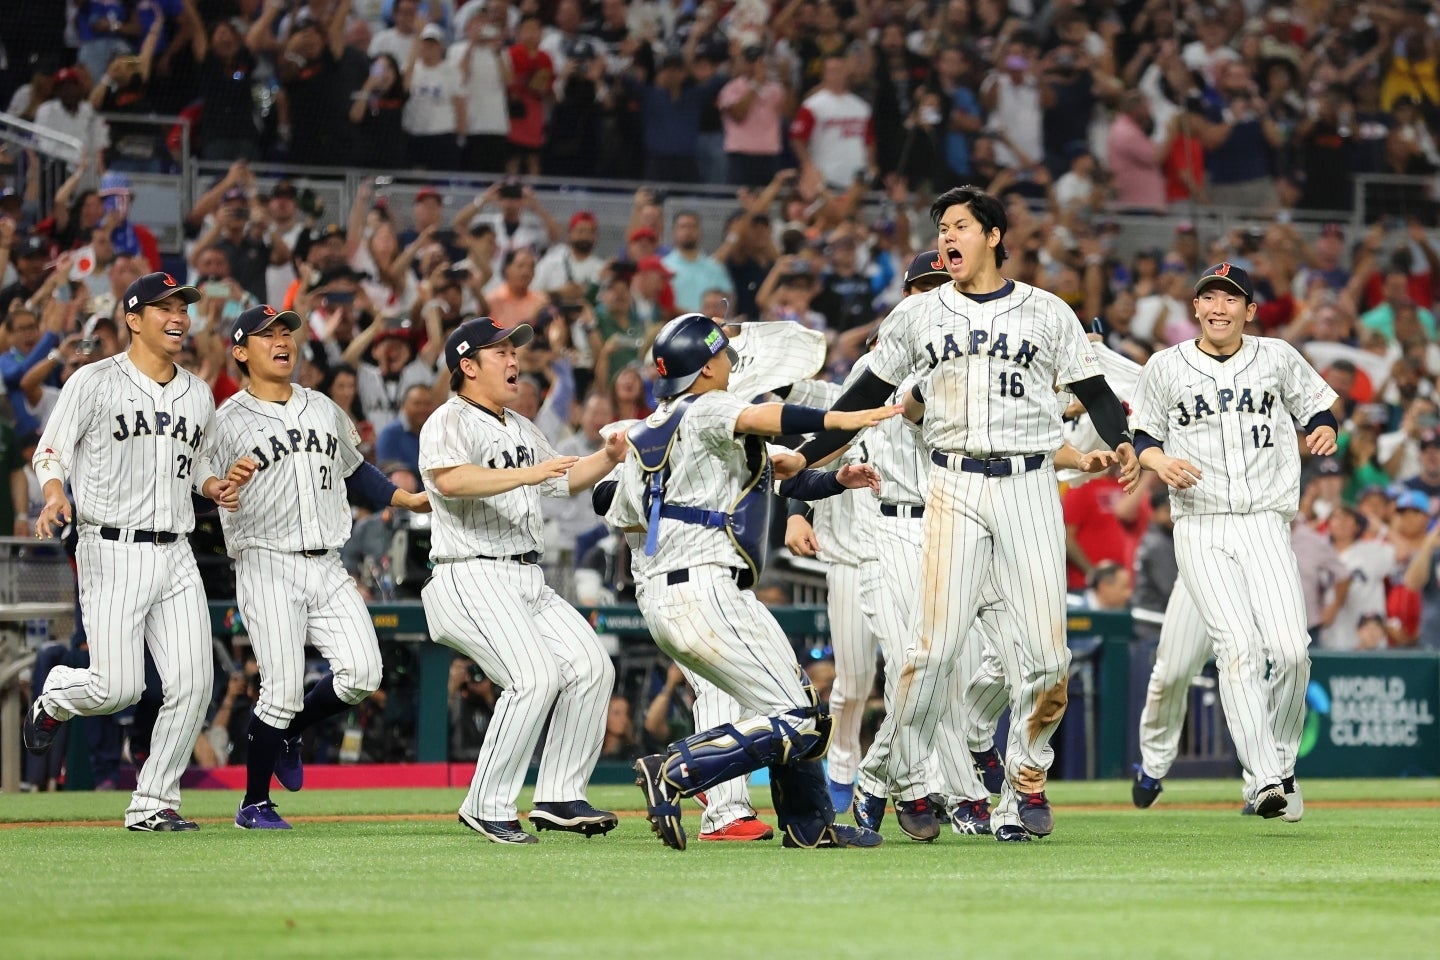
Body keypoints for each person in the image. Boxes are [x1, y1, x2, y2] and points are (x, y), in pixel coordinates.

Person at [796, 186, 1136, 843]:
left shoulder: (1046, 312)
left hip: (1029, 486)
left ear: (994, 236)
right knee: (930, 655)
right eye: (942, 227)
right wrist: (805, 459)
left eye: (960, 226)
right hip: (951, 484)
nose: (948, 236)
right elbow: (861, 395)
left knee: (1046, 660)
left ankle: (1024, 783)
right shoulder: (919, 317)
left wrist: (1121, 438)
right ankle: (878, 785)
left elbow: (1095, 391)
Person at [614, 312, 899, 851]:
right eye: (721, 353)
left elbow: (626, 512)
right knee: (799, 718)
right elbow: (776, 417)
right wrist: (845, 418)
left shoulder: (652, 430)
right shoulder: (709, 405)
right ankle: (676, 769)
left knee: (800, 709)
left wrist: (834, 478)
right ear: (701, 368)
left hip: (673, 589)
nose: (730, 360)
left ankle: (810, 827)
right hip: (704, 589)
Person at [23, 271, 242, 831]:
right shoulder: (93, 381)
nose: (178, 317)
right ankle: (54, 695)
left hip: (177, 552)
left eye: (183, 308)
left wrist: (215, 486)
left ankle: (154, 802)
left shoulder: (196, 392)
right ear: (133, 318)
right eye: (164, 307)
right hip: (111, 547)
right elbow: (51, 451)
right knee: (118, 687)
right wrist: (52, 494)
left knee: (194, 684)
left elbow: (198, 468)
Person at [1131, 261, 1339, 820]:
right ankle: (1265, 780)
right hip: (1201, 525)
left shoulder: (1276, 356)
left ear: (1250, 310)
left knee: (1293, 651)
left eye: (1231, 298)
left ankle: (1281, 763)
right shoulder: (1165, 365)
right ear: (1195, 308)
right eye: (1209, 297)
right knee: (1238, 649)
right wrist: (1156, 459)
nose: (1218, 306)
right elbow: (1144, 432)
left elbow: (1317, 405)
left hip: (1266, 523)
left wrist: (1325, 426)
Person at [214, 304, 431, 827]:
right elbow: (198, 484)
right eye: (267, 336)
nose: (282, 340)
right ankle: (254, 803)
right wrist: (218, 489)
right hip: (265, 559)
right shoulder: (223, 421)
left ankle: (291, 728)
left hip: (327, 562)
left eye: (286, 331)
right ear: (241, 352)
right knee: (282, 686)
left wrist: (407, 500)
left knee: (362, 672)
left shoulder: (322, 407)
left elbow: (357, 475)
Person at [418, 315, 623, 843]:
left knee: (591, 666)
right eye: (500, 352)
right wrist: (527, 474)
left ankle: (557, 794)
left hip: (525, 577)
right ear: (467, 365)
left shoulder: (522, 426)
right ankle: (485, 802)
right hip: (469, 573)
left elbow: (564, 479)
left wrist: (608, 456)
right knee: (533, 679)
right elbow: (450, 479)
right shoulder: (449, 419)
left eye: (515, 350)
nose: (514, 360)